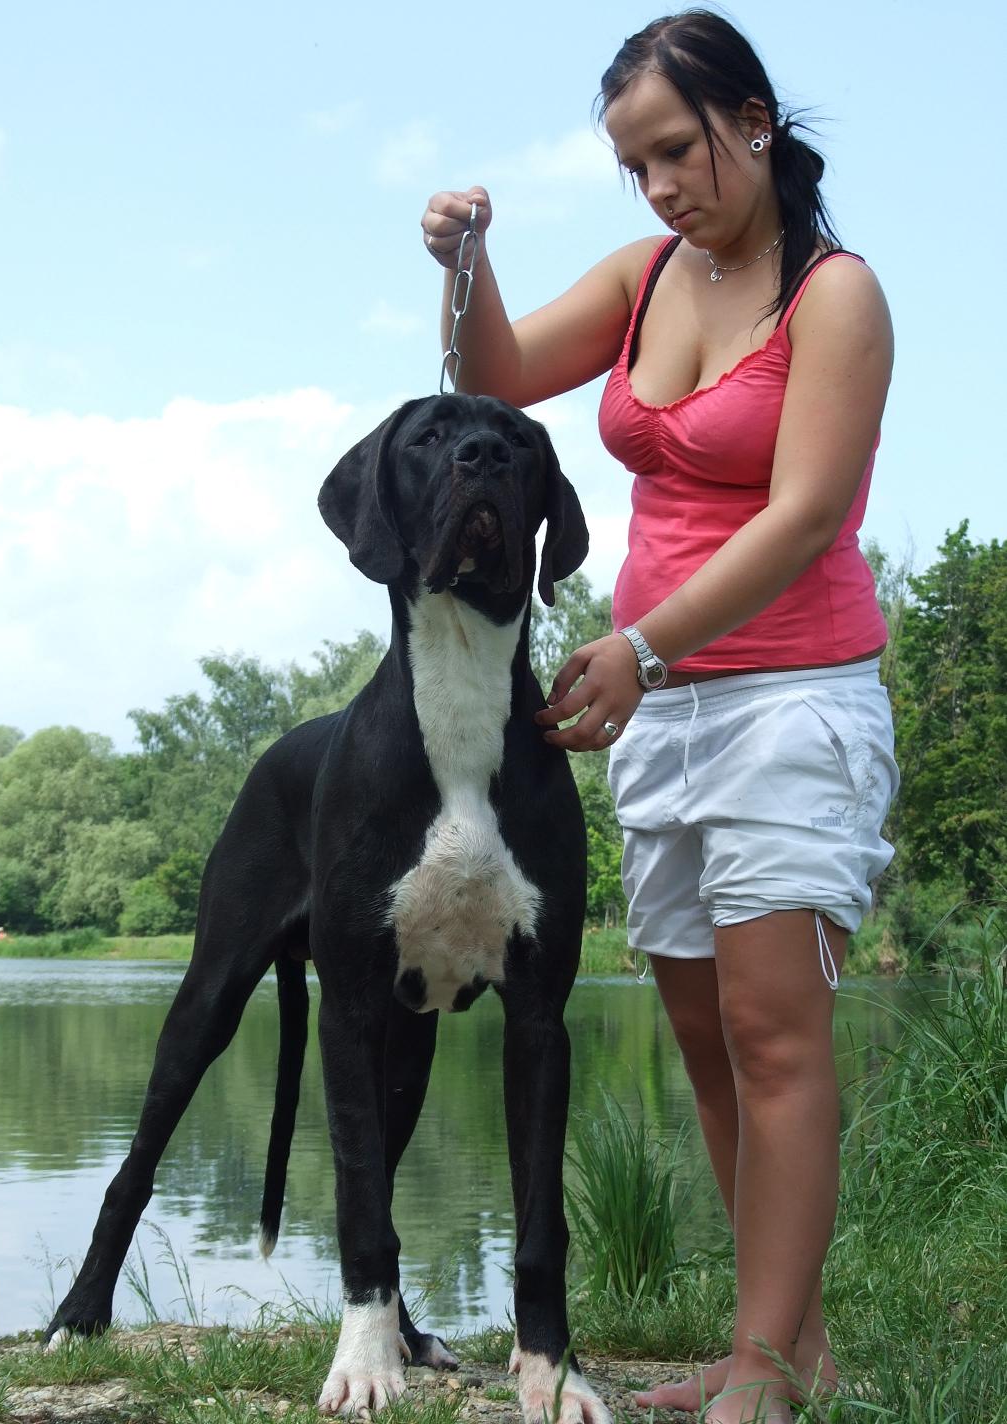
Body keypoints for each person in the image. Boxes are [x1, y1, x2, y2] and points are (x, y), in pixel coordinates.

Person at [421, 11, 898, 1424]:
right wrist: (466, 263)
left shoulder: (836, 297)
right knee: (704, 1040)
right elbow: (491, 381)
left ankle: (761, 1372)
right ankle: (785, 1351)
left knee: (775, 1034)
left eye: (677, 150)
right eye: (634, 166)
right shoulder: (643, 279)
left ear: (751, 118)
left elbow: (809, 514)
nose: (660, 187)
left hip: (793, 702)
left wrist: (638, 643)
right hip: (665, 710)